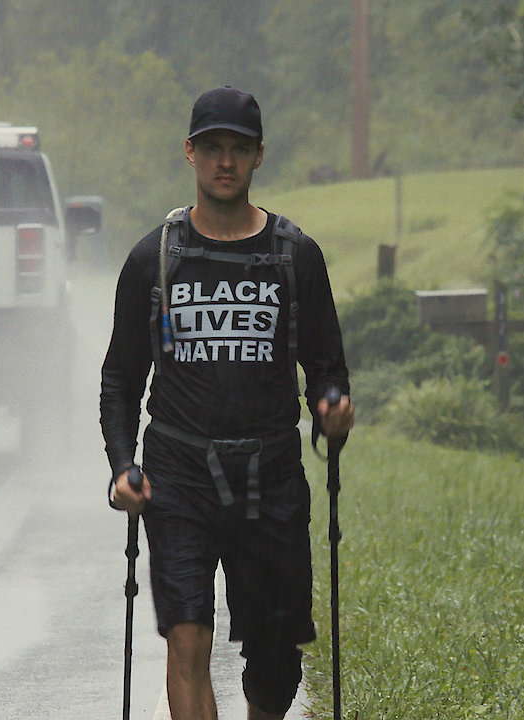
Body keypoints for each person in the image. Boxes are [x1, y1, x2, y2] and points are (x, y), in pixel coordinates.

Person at [99, 86, 354, 720]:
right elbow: (120, 379)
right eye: (212, 147)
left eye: (238, 149)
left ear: (258, 156)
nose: (224, 161)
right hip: (178, 475)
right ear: (190, 153)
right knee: (186, 639)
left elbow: (326, 367)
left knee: (273, 666)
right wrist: (121, 467)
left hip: (269, 475)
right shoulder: (153, 260)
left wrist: (331, 409)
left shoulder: (295, 257)